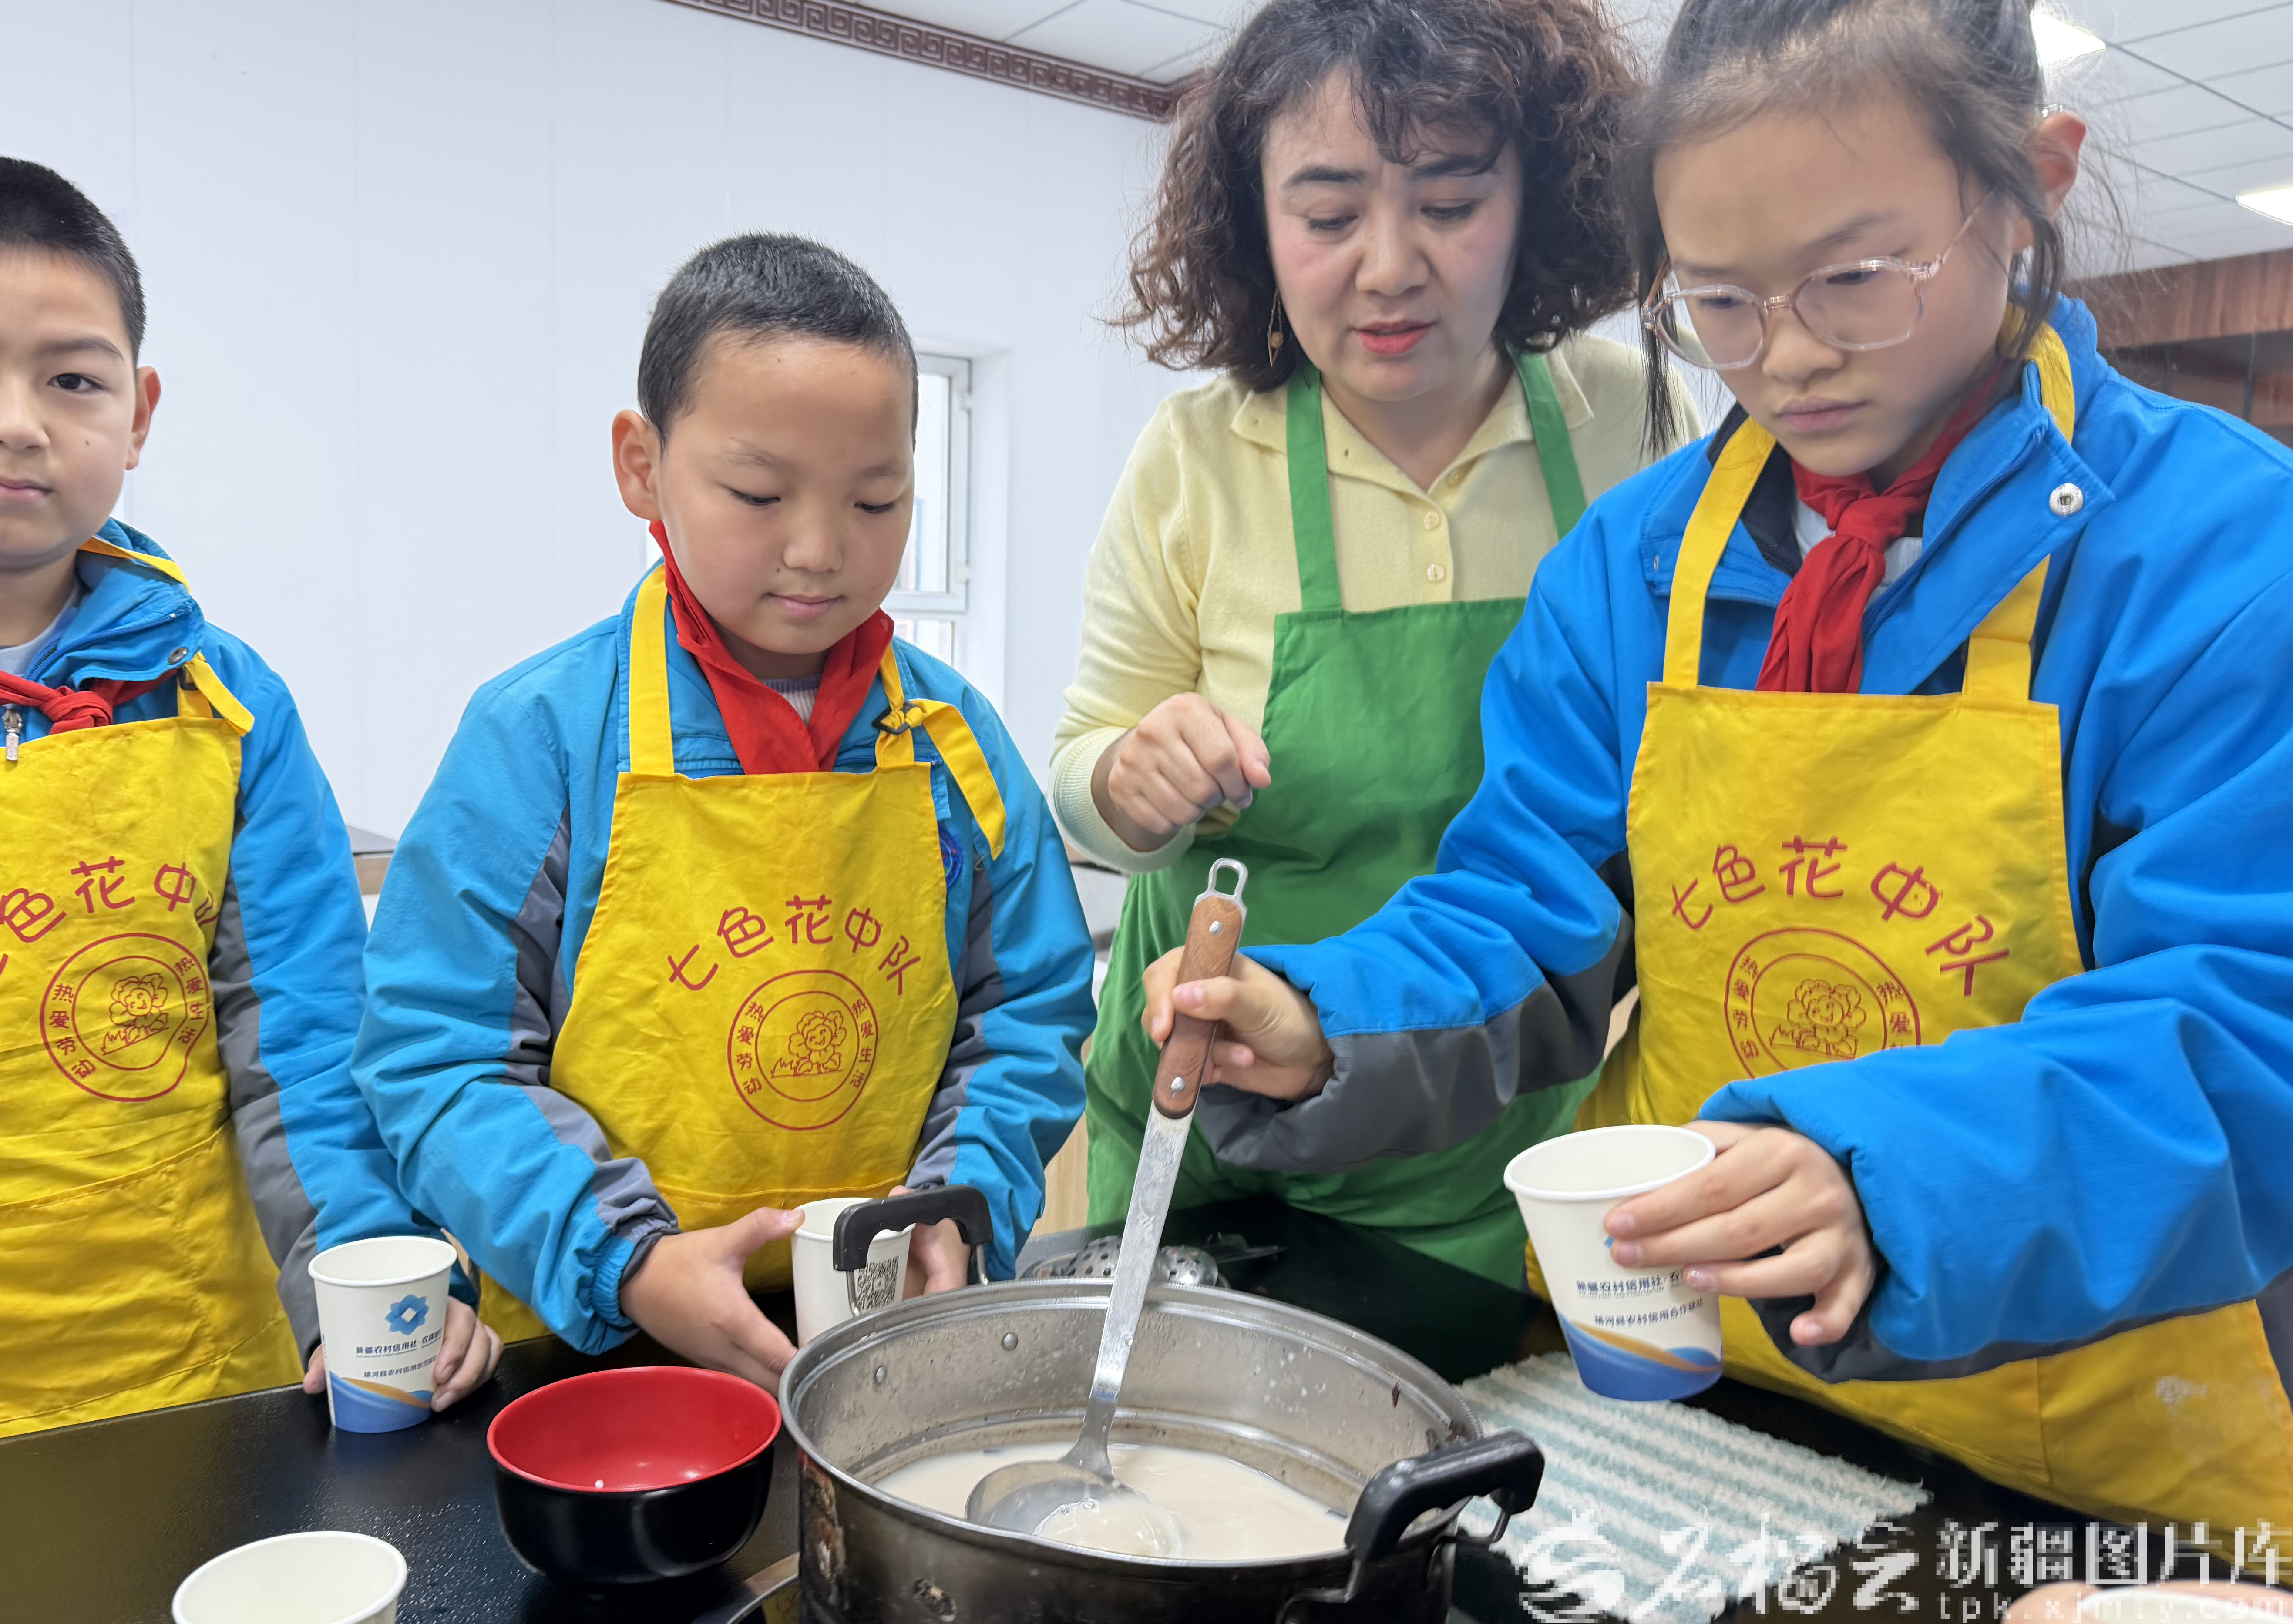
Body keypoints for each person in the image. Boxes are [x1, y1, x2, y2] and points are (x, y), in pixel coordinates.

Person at [1142, 0, 2293, 1534]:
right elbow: (1520, 911)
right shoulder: (1634, 566)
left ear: (2032, 183)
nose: (1789, 358)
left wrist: (1883, 1178)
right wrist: (1323, 1015)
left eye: (1854, 280)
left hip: (2103, 1441)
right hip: (1691, 1377)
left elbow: (2241, 1027)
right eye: (1719, 302)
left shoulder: (2223, 559)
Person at [354, 235, 1093, 1390]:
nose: (820, 549)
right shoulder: (543, 737)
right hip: (598, 1342)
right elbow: (437, 1053)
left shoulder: (957, 743)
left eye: (877, 499)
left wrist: (960, 1202)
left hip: (879, 1330)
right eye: (758, 494)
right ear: (642, 466)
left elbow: (1028, 1014)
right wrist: (627, 1259)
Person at [1053, 0, 1693, 1288]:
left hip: (1497, 1113)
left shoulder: (1626, 422)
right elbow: (1082, 771)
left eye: (1450, 204)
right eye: (1329, 215)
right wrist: (1127, 778)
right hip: (1214, 1105)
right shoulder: (1196, 457)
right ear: (1255, 223)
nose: (1390, 266)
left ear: (1539, 199)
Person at [0, 158, 499, 1433]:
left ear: (140, 411)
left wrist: (380, 1274)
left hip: (188, 1377)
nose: (19, 423)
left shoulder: (225, 706)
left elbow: (305, 1046)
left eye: (71, 379)